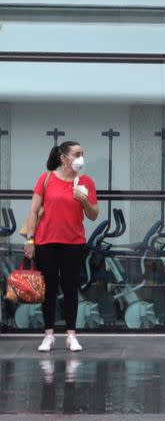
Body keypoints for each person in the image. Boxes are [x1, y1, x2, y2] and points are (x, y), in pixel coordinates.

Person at [22, 141, 99, 352]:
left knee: (70, 287)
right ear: (63, 158)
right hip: (46, 242)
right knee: (49, 289)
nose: (81, 158)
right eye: (76, 154)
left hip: (73, 242)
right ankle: (48, 335)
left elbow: (93, 215)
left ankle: (71, 335)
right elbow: (33, 210)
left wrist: (83, 200)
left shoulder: (86, 182)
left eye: (82, 153)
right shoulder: (46, 178)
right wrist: (30, 239)